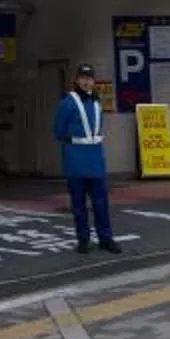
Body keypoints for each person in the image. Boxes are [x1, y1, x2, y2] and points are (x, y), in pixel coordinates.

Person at [54, 66, 120, 255]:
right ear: (76, 80)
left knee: (101, 203)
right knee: (78, 204)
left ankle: (106, 239)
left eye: (89, 78)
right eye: (82, 78)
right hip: (75, 159)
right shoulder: (67, 102)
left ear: (94, 81)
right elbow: (58, 130)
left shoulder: (97, 101)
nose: (86, 82)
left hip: (96, 159)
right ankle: (83, 240)